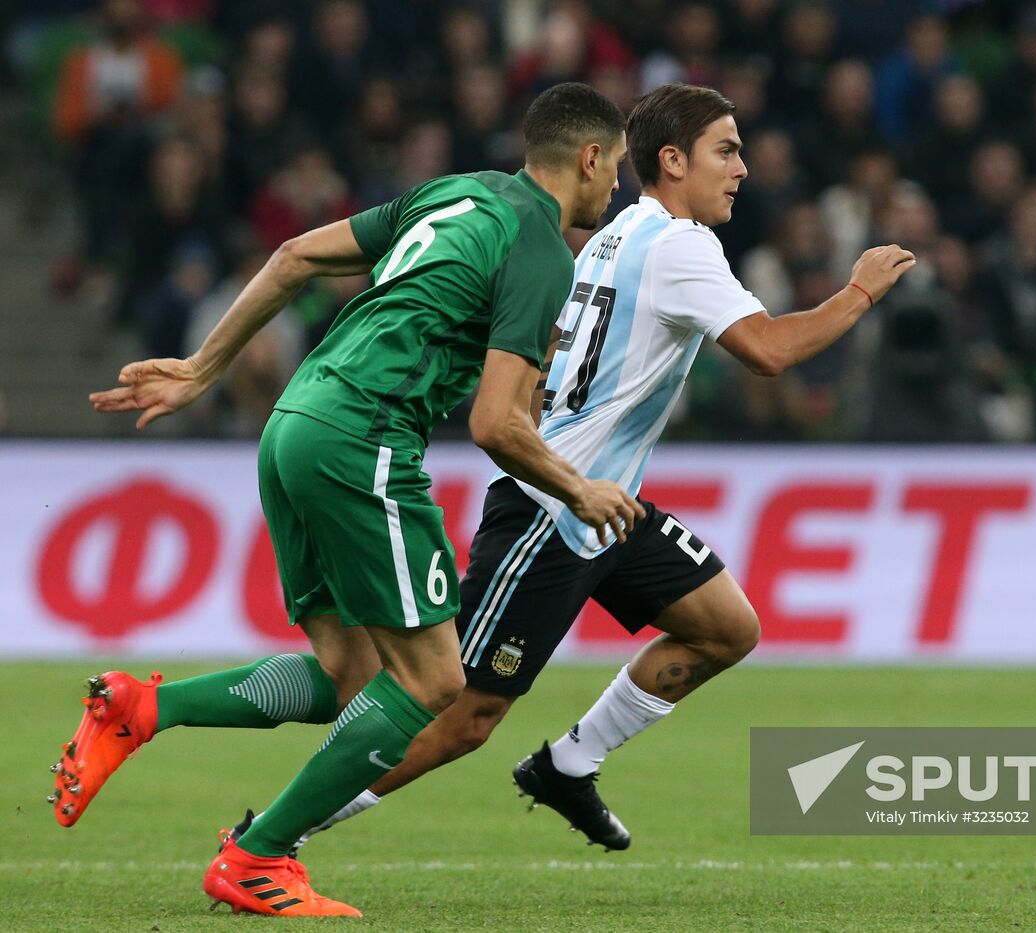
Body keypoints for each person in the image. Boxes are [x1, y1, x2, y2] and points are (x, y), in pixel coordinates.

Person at [231, 82, 914, 858]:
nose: (742, 169)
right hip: (550, 510)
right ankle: (278, 831)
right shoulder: (680, 245)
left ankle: (569, 764)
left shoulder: (616, 232)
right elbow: (767, 350)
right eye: (726, 150)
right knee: (462, 713)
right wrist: (860, 290)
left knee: (726, 628)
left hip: (602, 502)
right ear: (672, 160)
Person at [55, 82, 640, 917]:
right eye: (614, 168)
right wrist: (579, 488)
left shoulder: (459, 192)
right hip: (364, 438)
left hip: (296, 419)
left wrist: (202, 367)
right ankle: (255, 854)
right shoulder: (545, 251)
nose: (613, 185)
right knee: (438, 679)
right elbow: (495, 424)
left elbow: (293, 254)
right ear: (588, 158)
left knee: (347, 675)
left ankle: (141, 706)